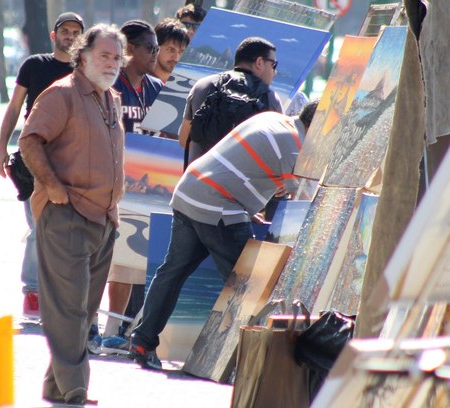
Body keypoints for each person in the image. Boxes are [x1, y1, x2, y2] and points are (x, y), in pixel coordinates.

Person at [130, 100, 320, 370]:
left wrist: (246, 203)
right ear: (319, 126)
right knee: (247, 287)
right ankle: (245, 362)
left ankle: (142, 341)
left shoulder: (275, 119)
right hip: (218, 206)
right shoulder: (295, 147)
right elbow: (309, 199)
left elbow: (245, 165)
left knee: (172, 272)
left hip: (190, 191)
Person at [18, 24, 125, 405]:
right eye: (104, 55)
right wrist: (52, 187)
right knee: (68, 309)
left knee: (82, 311)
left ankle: (56, 386)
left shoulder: (110, 97)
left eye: (117, 57)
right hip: (66, 214)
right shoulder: (61, 94)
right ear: (83, 54)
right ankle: (76, 387)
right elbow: (29, 140)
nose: (112, 63)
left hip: (103, 219)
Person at [0, 12, 84, 319]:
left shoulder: (85, 71)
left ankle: (57, 295)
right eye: (65, 31)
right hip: (33, 157)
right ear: (54, 35)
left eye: (76, 32)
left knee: (65, 233)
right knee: (38, 227)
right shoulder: (35, 65)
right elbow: (15, 107)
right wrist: (1, 147)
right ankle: (32, 293)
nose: (70, 36)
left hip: (71, 160)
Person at [103, 20, 162, 352]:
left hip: (149, 188)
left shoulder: (156, 88)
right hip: (112, 185)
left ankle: (123, 329)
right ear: (130, 50)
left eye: (156, 48)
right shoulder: (110, 86)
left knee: (134, 260)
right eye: (150, 48)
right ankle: (106, 327)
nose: (155, 54)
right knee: (110, 260)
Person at [178, 37, 284, 166]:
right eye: (273, 65)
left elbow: (184, 139)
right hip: (236, 184)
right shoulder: (270, 98)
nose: (275, 72)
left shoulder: (203, 85)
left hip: (196, 181)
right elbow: (278, 154)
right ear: (260, 62)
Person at [152, 18, 189, 84]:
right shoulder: (138, 82)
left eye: (181, 51)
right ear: (155, 48)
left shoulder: (185, 86)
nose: (176, 58)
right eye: (171, 50)